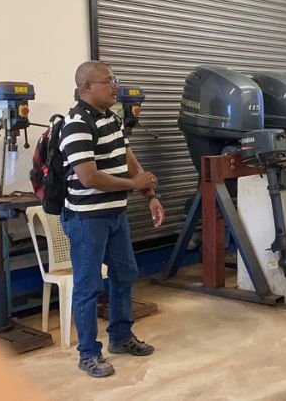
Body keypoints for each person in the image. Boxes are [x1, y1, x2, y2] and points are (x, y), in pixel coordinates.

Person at [60, 61, 165, 378]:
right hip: (87, 218)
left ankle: (120, 337)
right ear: (87, 87)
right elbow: (89, 177)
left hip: (116, 214)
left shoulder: (112, 119)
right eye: (108, 81)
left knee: (125, 274)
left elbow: (130, 162)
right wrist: (134, 185)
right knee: (88, 285)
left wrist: (149, 195)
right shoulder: (76, 123)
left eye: (114, 79)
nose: (115, 85)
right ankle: (89, 353)